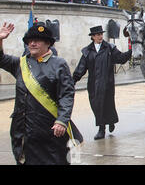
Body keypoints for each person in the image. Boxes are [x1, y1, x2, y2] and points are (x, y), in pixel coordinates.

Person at [0, 22, 83, 165]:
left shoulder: (59, 64)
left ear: (47, 43)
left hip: (50, 130)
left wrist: (62, 120)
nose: (32, 44)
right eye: (29, 41)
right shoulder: (21, 64)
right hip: (25, 131)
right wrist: (0, 39)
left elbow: (66, 94)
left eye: (36, 40)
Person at [73, 26, 132, 140]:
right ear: (93, 37)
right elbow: (81, 68)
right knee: (96, 106)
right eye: (98, 35)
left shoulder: (109, 48)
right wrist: (72, 81)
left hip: (107, 83)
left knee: (107, 105)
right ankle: (105, 124)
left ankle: (103, 128)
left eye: (101, 34)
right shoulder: (87, 51)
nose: (100, 36)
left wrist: (131, 51)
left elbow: (121, 58)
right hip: (93, 85)